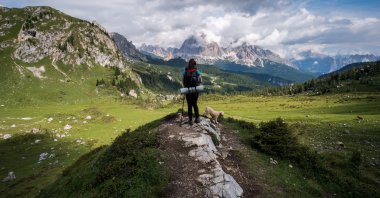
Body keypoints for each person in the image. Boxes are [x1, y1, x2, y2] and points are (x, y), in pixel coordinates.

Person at [182, 58, 202, 125]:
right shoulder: (197, 71)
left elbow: (184, 81)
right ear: (194, 64)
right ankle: (197, 118)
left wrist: (186, 86)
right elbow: (200, 81)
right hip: (196, 91)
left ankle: (190, 120)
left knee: (189, 105)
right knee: (195, 104)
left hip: (188, 90)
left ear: (189, 64)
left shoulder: (185, 71)